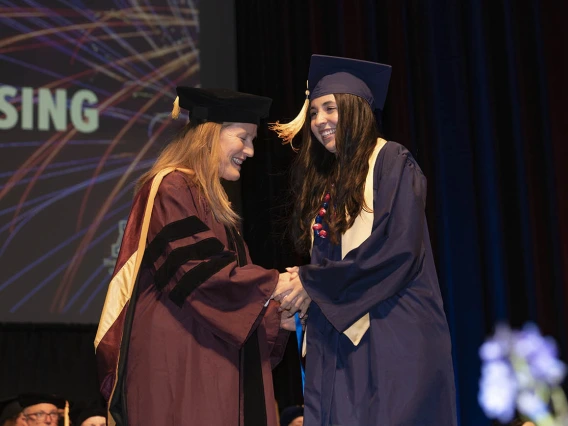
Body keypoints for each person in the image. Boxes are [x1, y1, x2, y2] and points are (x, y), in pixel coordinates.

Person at [271, 55, 457, 425]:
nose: (320, 121)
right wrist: (306, 300)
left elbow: (397, 250)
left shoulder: (391, 160)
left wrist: (311, 283)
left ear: (357, 109)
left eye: (330, 108)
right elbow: (333, 263)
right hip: (342, 341)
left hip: (392, 332)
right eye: (314, 112)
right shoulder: (328, 184)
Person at [95, 87, 292, 426]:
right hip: (181, 359)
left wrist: (275, 315)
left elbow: (224, 288)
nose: (250, 150)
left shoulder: (210, 202)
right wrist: (277, 283)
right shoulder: (172, 187)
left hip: (203, 350)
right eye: (243, 137)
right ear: (209, 135)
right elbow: (200, 274)